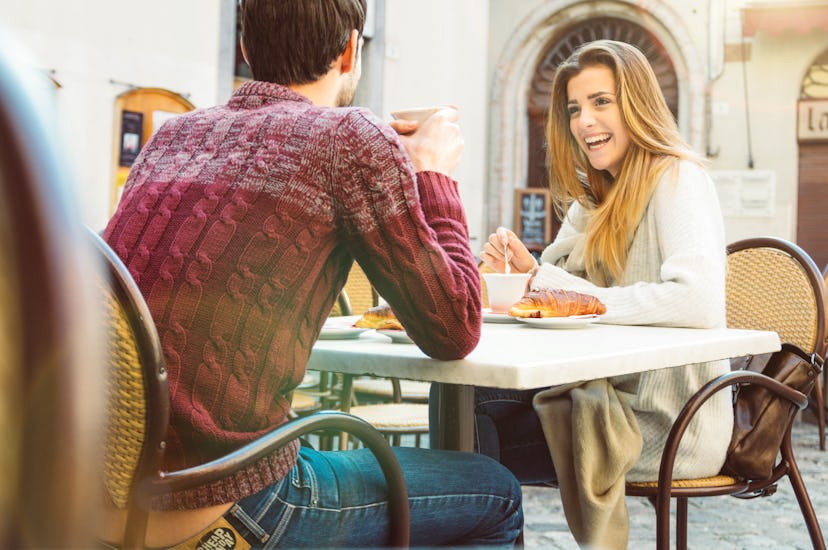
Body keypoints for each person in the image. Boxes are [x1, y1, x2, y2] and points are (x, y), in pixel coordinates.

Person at [97, 0, 523, 547]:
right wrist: (433, 175)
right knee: (497, 494)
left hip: (91, 497)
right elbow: (455, 328)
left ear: (247, 47)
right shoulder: (349, 139)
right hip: (218, 501)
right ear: (350, 49)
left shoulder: (171, 138)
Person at [476, 39, 732, 548]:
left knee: (474, 442)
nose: (584, 121)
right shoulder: (593, 201)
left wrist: (575, 298)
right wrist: (522, 277)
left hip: (667, 420)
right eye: (574, 108)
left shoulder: (677, 179)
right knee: (467, 399)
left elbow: (697, 300)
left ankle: (476, 508)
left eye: (601, 101)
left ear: (636, 103)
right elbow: (550, 293)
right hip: (597, 396)